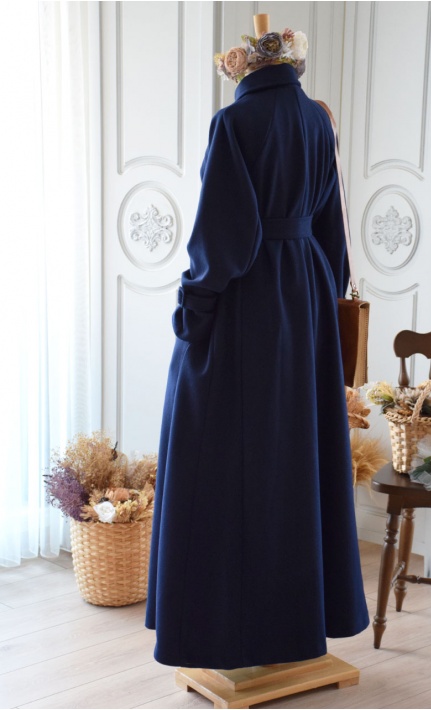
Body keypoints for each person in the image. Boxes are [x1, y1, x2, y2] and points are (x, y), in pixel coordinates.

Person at [145, 19, 369, 671]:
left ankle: (223, 630)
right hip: (306, 298)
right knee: (294, 457)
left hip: (246, 305)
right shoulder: (317, 120)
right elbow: (331, 231)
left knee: (214, 456)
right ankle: (292, 628)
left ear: (243, 67)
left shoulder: (234, 123)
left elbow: (223, 237)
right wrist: (319, 299)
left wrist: (193, 310)